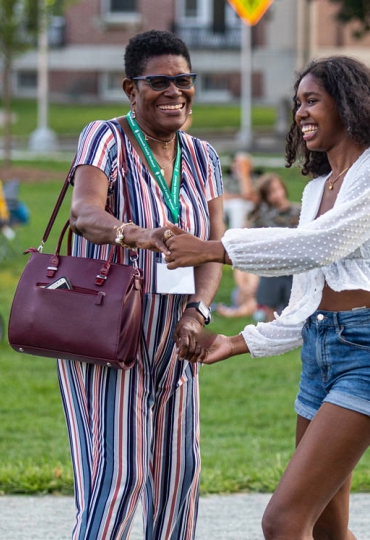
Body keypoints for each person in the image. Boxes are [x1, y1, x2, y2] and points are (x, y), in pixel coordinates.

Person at [164, 56, 370, 540]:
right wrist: (237, 341)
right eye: (297, 103)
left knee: (283, 521)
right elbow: (304, 306)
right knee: (329, 531)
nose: (301, 113)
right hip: (320, 354)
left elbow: (320, 244)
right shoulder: (315, 192)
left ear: (347, 104)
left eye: (312, 101)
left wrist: (216, 248)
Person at [62, 30, 224, 540]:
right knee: (119, 477)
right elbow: (83, 212)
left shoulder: (203, 157)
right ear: (131, 89)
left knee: (179, 479)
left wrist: (199, 312)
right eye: (159, 82)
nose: (175, 91)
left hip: (177, 336)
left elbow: (215, 247)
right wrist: (138, 235)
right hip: (112, 332)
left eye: (184, 80)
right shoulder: (106, 137)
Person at [246, 173, 301, 322]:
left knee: (295, 308)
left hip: (294, 268)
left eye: (278, 189)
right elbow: (249, 237)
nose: (277, 194)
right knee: (270, 308)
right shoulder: (263, 217)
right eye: (271, 193)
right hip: (272, 269)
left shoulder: (299, 211)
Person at [217, 152, 259, 318]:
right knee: (236, 205)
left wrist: (244, 175)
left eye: (242, 163)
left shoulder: (256, 179)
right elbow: (222, 198)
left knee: (239, 205)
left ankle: (237, 237)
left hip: (250, 223)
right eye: (236, 163)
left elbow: (251, 196)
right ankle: (237, 237)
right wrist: (241, 197)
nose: (237, 166)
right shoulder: (226, 180)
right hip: (234, 216)